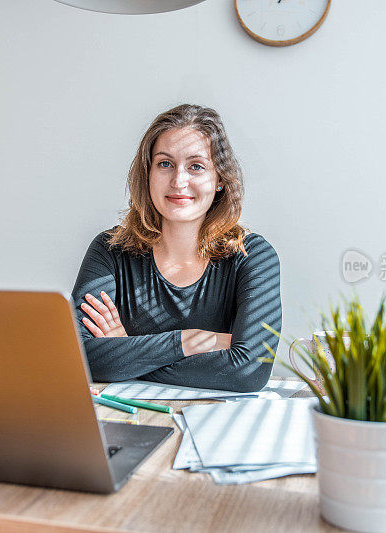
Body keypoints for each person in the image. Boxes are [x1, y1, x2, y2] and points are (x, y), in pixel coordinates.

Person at [71, 104, 281, 392]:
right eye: (165, 163)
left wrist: (125, 353)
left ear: (219, 179)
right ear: (148, 174)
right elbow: (79, 359)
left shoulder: (253, 257)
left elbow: (248, 371)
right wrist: (187, 340)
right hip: (129, 421)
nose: (178, 181)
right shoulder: (109, 251)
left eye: (196, 166)